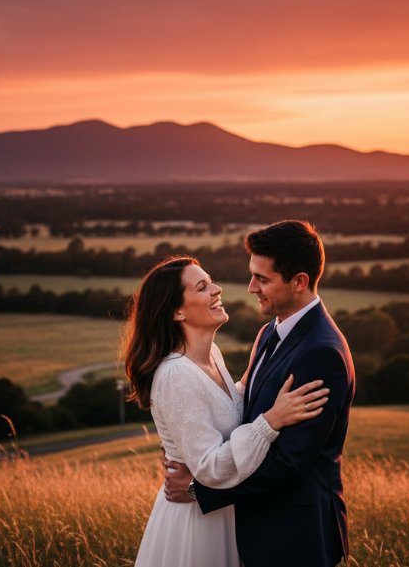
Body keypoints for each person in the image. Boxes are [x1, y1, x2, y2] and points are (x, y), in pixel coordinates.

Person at [164, 219, 356, 567]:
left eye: (262, 279)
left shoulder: (321, 353)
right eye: (252, 275)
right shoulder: (270, 332)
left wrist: (198, 491)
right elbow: (242, 408)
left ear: (299, 281)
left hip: (295, 534)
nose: (251, 287)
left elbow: (289, 462)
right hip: (257, 527)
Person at [126, 255, 331, 567]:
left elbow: (215, 408)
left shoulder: (211, 355)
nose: (217, 289)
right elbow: (209, 466)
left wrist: (250, 383)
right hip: (196, 524)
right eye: (202, 287)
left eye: (211, 281)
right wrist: (271, 421)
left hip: (225, 515)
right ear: (177, 311)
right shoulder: (175, 374)